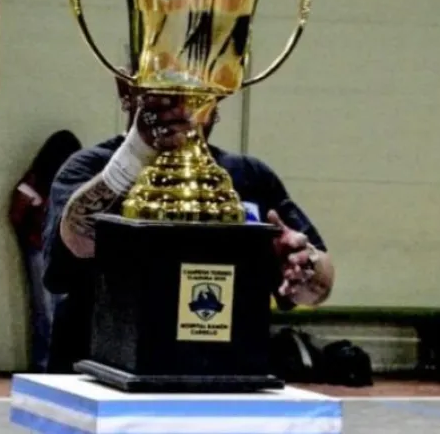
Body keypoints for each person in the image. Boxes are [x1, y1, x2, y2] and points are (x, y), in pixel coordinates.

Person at [41, 75, 335, 373]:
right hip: (103, 373)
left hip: (219, 375)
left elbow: (318, 286)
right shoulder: (90, 168)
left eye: (194, 92)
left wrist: (304, 268)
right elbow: (76, 243)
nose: (181, 107)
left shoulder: (249, 176)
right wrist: (137, 152)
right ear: (129, 92)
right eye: (167, 92)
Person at [9, 129, 82, 373]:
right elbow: (17, 215)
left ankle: (49, 363)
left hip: (46, 249)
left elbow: (16, 216)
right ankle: (50, 364)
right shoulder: (49, 181)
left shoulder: (38, 181)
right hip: (56, 250)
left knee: (49, 310)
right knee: (52, 310)